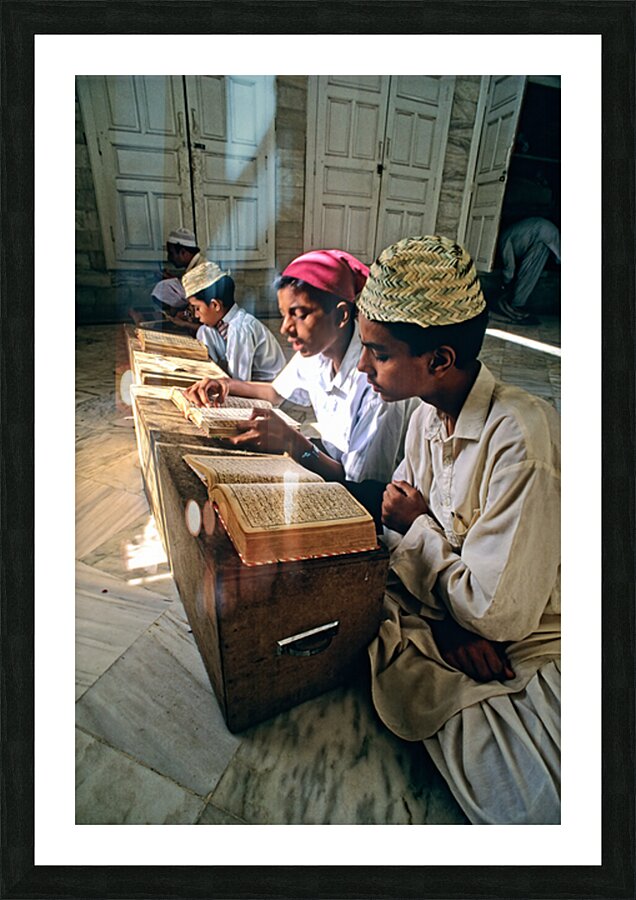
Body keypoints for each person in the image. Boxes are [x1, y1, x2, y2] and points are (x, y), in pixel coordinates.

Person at [356, 235, 561, 825]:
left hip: (528, 633)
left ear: (440, 359)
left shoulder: (520, 438)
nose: (363, 366)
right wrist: (448, 625)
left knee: (532, 803)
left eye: (379, 352)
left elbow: (500, 615)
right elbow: (396, 529)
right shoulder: (424, 416)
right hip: (452, 607)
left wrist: (419, 526)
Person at [183, 249, 420, 486]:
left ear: (341, 315)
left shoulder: (377, 385)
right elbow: (274, 393)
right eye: (283, 315)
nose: (285, 328)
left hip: (365, 496)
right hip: (329, 459)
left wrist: (292, 442)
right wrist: (225, 385)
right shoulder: (316, 354)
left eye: (300, 315)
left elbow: (358, 485)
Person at [182, 261, 286, 382]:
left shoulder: (241, 328)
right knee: (203, 331)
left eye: (197, 308)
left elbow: (240, 381)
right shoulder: (212, 328)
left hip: (268, 388)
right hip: (246, 383)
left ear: (215, 305)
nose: (196, 315)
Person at [495, 217, 561, 324]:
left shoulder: (504, 240)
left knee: (527, 272)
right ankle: (517, 305)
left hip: (543, 231)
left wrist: (505, 284)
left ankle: (516, 305)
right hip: (544, 229)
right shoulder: (510, 234)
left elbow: (509, 271)